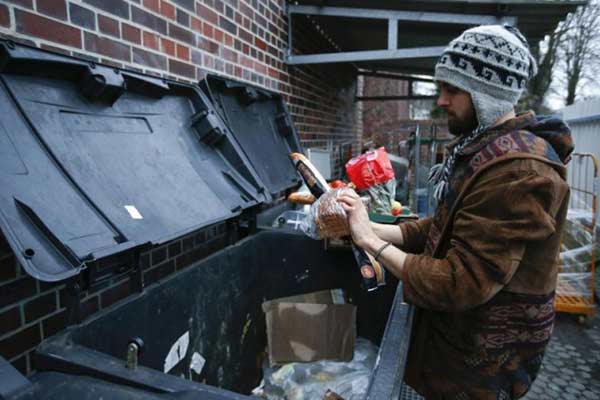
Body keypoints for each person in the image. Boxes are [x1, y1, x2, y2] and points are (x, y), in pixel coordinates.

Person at [339, 24, 573, 399]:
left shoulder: (517, 171)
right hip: (461, 342)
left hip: (482, 363)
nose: (441, 101)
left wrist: (371, 242)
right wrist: (372, 229)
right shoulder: (486, 149)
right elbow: (447, 226)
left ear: (487, 95)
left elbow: (460, 281)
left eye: (452, 89)